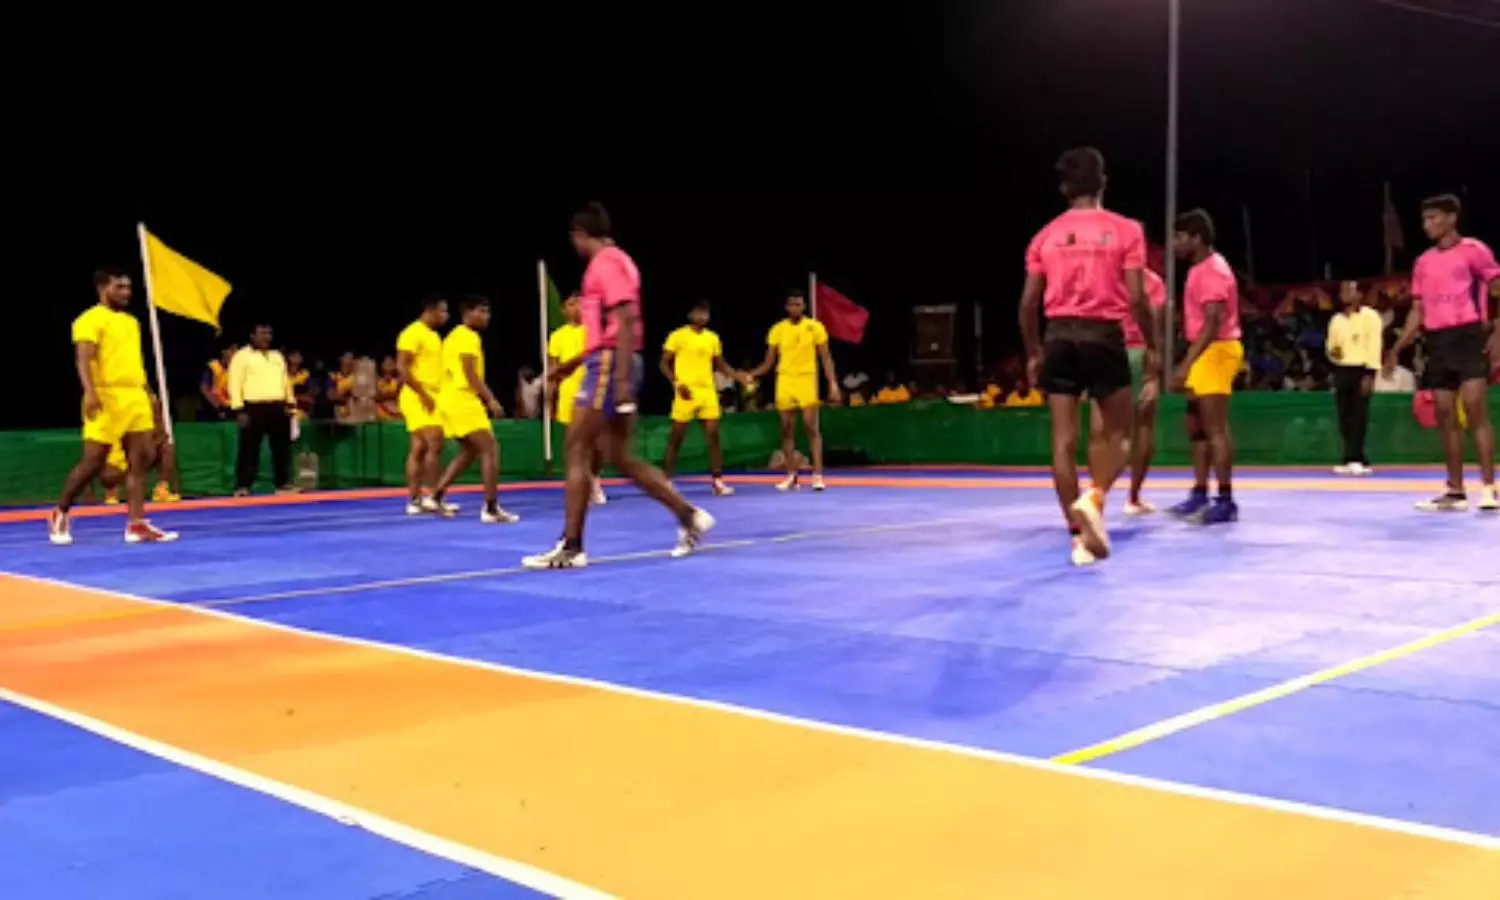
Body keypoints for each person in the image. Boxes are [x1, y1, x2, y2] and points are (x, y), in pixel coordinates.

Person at [523, 202, 712, 569]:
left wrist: (621, 381)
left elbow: (624, 319)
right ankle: (687, 515)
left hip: (610, 364)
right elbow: (608, 328)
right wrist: (571, 367)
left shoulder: (605, 263)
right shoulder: (620, 261)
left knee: (576, 449)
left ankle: (572, 546)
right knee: (621, 457)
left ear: (580, 234)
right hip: (610, 361)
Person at [1018, 148, 1156, 567]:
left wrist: (1034, 351)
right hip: (1104, 336)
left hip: (1058, 336)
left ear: (1064, 188)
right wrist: (1154, 345)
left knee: (1063, 442)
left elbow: (1028, 305)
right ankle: (1094, 499)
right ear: (1103, 182)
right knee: (1121, 434)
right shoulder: (1126, 230)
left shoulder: (1044, 236)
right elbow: (1138, 298)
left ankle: (1079, 539)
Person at [48, 267, 178, 545]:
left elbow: (133, 361)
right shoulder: (88, 320)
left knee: (139, 461)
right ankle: (60, 512)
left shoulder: (131, 322)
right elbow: (83, 359)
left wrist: (149, 393)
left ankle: (136, 523)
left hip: (135, 396)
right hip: (106, 396)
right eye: (119, 287)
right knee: (93, 461)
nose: (126, 293)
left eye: (128, 287)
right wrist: (90, 392)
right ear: (102, 288)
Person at [1387, 194, 1499, 511]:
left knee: (1475, 411)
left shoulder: (1474, 250)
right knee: (1446, 417)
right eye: (1425, 219)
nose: (1427, 225)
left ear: (1452, 218)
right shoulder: (1423, 262)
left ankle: (1489, 489)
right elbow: (1417, 310)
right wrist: (1397, 347)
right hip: (1437, 341)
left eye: (1434, 218)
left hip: (1468, 336)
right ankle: (1455, 491)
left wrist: (1498, 333)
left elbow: (1497, 289)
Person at [1168, 209, 1244, 525]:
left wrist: (1185, 364)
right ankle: (1199, 493)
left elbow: (1212, 324)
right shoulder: (1198, 269)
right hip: (1204, 350)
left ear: (1196, 238)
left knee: (1215, 429)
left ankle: (1225, 501)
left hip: (1217, 350)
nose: (1174, 243)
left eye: (1179, 237)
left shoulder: (1213, 270)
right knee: (1196, 427)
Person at [428, 295, 519, 524]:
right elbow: (470, 374)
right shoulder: (468, 337)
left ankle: (436, 496)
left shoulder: (453, 336)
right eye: (481, 311)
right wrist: (490, 400)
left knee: (470, 450)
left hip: (449, 399)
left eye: (487, 312)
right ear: (467, 313)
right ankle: (491, 508)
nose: (486, 316)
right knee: (490, 448)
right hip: (462, 399)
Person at [747, 289, 842, 491]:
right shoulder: (777, 329)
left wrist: (832, 383)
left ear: (804, 306)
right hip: (785, 380)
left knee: (811, 428)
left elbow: (826, 358)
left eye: (799, 304)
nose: (795, 308)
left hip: (806, 380)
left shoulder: (815, 327)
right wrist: (752, 374)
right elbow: (769, 361)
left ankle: (818, 475)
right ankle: (791, 475)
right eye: (792, 304)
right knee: (786, 429)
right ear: (786, 307)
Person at [661, 301, 744, 495]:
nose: (702, 316)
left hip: (707, 391)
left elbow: (720, 364)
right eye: (698, 312)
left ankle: (717, 481)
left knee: (713, 436)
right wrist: (677, 383)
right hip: (685, 392)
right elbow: (664, 363)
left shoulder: (712, 338)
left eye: (705, 313)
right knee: (676, 438)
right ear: (690, 314)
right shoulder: (677, 336)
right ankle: (665, 481)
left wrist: (737, 376)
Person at [1112, 267, 1168, 514]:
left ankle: (1094, 496)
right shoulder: (1151, 281)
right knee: (1143, 426)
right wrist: (1154, 366)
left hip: (1106, 350)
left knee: (1106, 431)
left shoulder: (1105, 274)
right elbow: (1155, 322)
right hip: (1139, 350)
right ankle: (1133, 498)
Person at [548, 293, 607, 505]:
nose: (577, 308)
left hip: (593, 389)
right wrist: (551, 398)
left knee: (597, 442)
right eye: (571, 304)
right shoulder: (557, 336)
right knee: (575, 443)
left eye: (580, 304)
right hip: (568, 393)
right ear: (564, 310)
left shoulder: (594, 332)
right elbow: (553, 369)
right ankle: (580, 484)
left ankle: (595, 480)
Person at [396, 294, 450, 515]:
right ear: (430, 310)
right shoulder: (412, 333)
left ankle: (415, 500)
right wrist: (423, 395)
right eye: (443, 311)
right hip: (417, 396)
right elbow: (402, 368)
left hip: (433, 396)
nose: (446, 316)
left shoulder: (434, 336)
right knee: (435, 442)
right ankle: (434, 497)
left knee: (419, 448)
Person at [229, 324, 297, 497]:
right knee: (249, 448)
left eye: (269, 333)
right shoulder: (241, 356)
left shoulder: (277, 356)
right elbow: (234, 382)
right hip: (253, 407)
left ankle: (283, 484)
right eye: (262, 333)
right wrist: (238, 409)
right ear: (252, 335)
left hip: (277, 405)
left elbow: (285, 380)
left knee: (281, 448)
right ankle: (243, 486)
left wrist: (290, 402)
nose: (267, 337)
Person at [1326, 280, 1383, 475]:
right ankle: (1348, 457)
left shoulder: (1370, 317)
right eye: (1342, 290)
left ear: (1359, 295)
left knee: (1359, 415)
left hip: (1362, 368)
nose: (1344, 293)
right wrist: (1333, 352)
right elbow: (1330, 346)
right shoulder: (1336, 320)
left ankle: (1358, 458)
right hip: (1342, 369)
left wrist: (1370, 373)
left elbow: (1374, 345)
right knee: (1344, 415)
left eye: (1349, 290)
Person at [100, 392, 180, 504]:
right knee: (111, 469)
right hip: (123, 459)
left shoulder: (154, 415)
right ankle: (112, 492)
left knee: (167, 448)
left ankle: (161, 489)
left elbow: (160, 438)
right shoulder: (125, 413)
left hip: (145, 456)